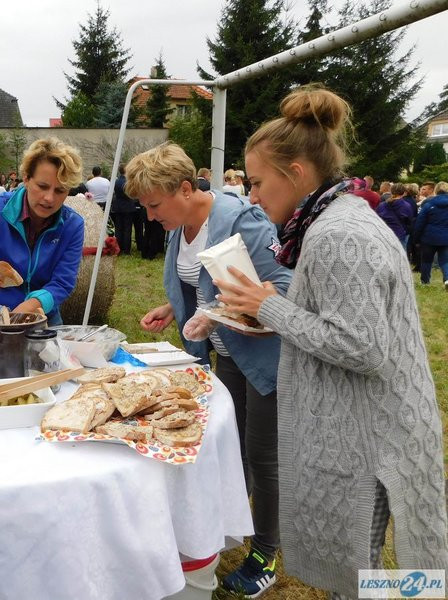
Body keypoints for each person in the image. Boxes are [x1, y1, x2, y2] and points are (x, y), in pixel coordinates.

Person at [214, 86, 448, 598]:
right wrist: (276, 312)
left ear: (295, 172)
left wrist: (268, 306)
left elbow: (363, 347)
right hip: (373, 420)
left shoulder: (339, 234)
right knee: (362, 570)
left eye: (257, 183)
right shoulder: (331, 221)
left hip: (375, 430)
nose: (252, 196)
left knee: (363, 574)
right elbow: (341, 320)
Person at [126, 141, 291, 597]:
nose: (150, 215)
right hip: (226, 356)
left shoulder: (240, 220)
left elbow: (281, 287)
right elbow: (203, 283)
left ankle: (267, 553)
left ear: (185, 188)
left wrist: (214, 313)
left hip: (263, 355)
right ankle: (230, 525)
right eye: (144, 205)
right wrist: (173, 306)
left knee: (263, 455)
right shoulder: (180, 226)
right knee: (230, 444)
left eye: (155, 204)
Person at [0, 138, 85, 326]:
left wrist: (27, 308)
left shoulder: (72, 225)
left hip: (43, 316)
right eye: (42, 186)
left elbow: (63, 282)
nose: (49, 198)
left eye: (60, 190)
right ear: (26, 178)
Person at [413, 180, 448, 289]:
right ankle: (447, 279)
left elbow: (420, 222)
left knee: (426, 260)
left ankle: (425, 282)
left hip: (429, 238)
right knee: (445, 261)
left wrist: (416, 239)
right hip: (446, 237)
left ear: (436, 190)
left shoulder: (428, 204)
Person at [375, 182, 413, 248]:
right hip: (400, 234)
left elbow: (377, 219)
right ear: (404, 192)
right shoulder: (407, 206)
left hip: (385, 235)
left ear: (390, 191)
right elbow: (409, 221)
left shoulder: (382, 205)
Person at [111, 164, 137, 255]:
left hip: (118, 207)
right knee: (127, 229)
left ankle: (119, 248)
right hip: (128, 207)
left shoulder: (116, 182)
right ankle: (126, 249)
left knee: (118, 228)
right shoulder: (129, 182)